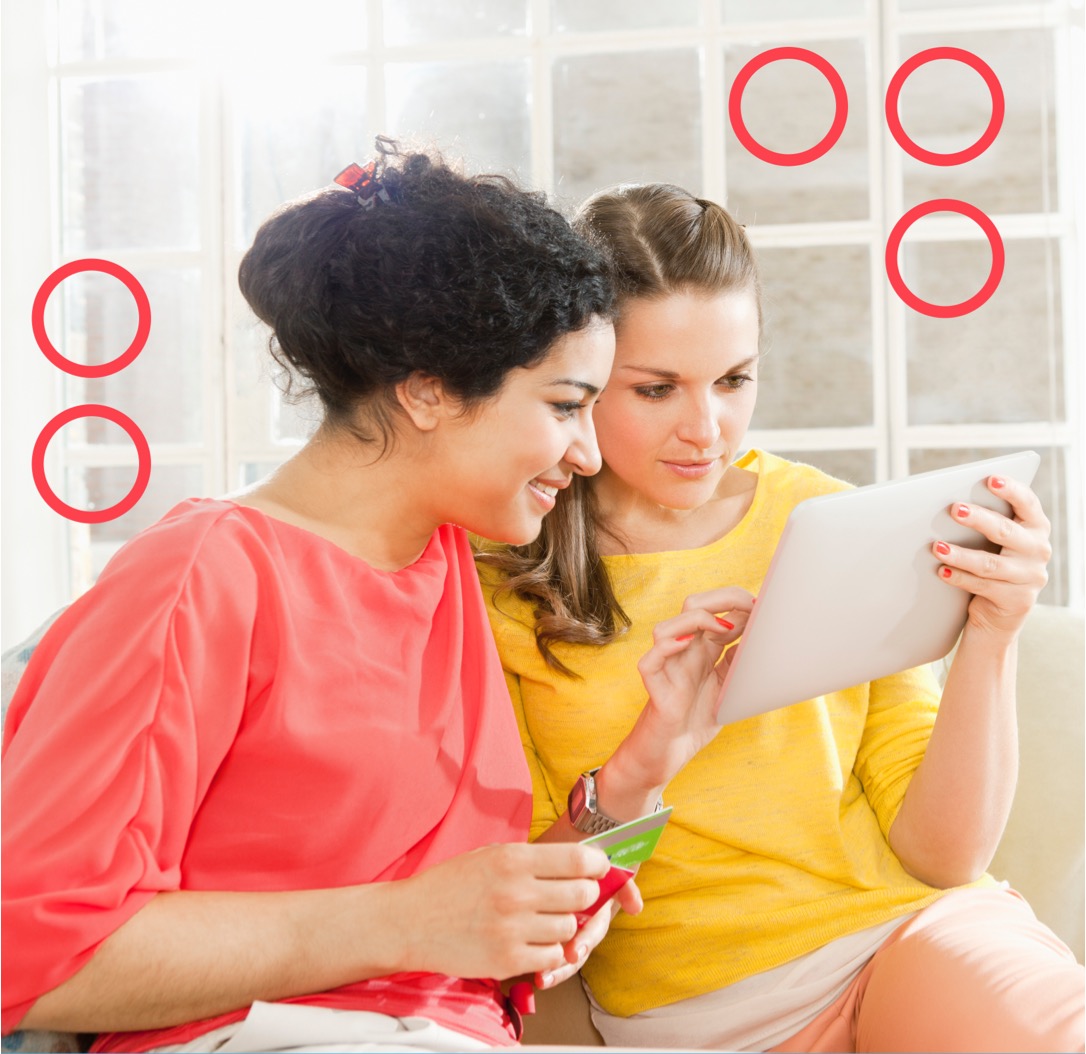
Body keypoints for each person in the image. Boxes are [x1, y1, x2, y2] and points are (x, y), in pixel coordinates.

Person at [1, 140, 633, 1054]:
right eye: (566, 406)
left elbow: (432, 912)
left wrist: (520, 919)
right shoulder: (203, 577)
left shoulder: (448, 556)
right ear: (426, 390)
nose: (590, 455)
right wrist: (410, 922)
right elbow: (33, 953)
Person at [478, 181, 1085, 1052]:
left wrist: (992, 634)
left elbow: (939, 857)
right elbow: (531, 921)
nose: (707, 429)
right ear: (582, 374)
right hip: (692, 1011)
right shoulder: (503, 574)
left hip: (906, 940)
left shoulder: (832, 521)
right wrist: (643, 760)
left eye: (733, 380)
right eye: (656, 391)